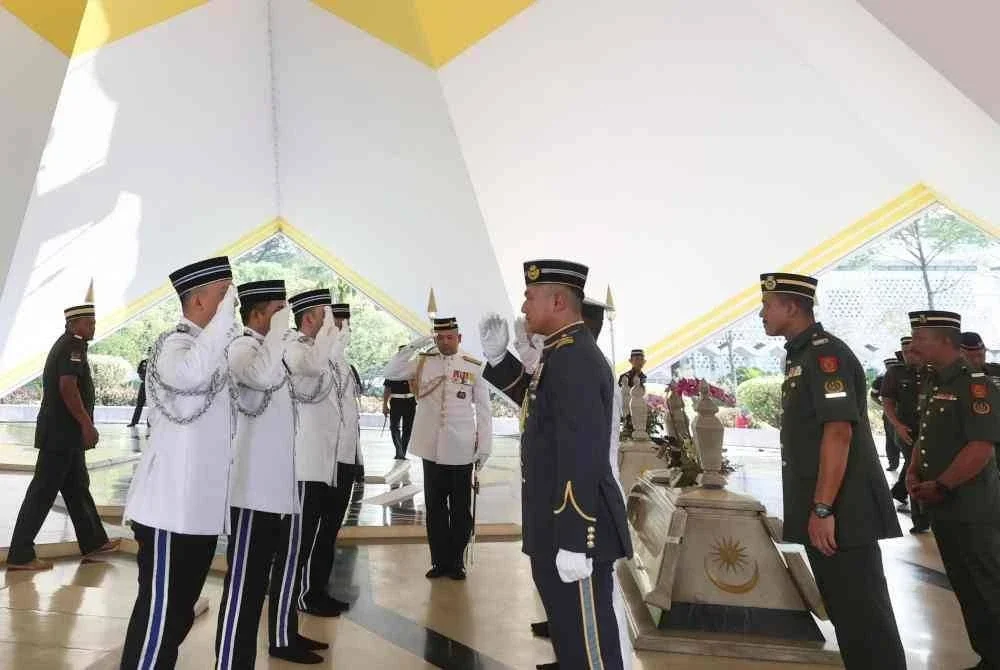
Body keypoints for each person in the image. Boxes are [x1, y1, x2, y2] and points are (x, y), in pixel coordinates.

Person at [757, 272, 904, 669]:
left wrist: (822, 508)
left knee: (865, 617)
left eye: (768, 305)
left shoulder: (826, 356)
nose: (761, 313)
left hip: (842, 512)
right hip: (826, 510)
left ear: (791, 307)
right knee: (848, 616)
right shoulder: (801, 354)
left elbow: (838, 432)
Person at [492, 259, 631, 668]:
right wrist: (499, 360)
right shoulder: (560, 353)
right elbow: (539, 410)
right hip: (554, 524)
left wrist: (575, 538)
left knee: (591, 651)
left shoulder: (575, 358)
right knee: (572, 646)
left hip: (575, 528)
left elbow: (580, 451)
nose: (523, 308)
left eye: (530, 297)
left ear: (557, 301)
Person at [120, 257, 238, 670]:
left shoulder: (213, 352)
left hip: (199, 513)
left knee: (178, 615)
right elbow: (190, 376)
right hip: (170, 511)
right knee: (159, 617)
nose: (232, 305)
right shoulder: (176, 345)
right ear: (201, 300)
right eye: (225, 296)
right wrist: (224, 324)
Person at [214, 280, 325, 667]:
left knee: (257, 583)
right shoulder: (244, 348)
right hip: (249, 492)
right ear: (259, 313)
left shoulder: (269, 351)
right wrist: (279, 332)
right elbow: (258, 379)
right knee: (243, 588)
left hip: (272, 489)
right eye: (279, 310)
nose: (285, 318)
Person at [907, 310, 1000, 670]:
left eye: (920, 339)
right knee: (965, 587)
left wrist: (943, 484)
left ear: (946, 341)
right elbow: (926, 435)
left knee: (987, 587)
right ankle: (988, 656)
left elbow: (981, 448)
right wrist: (913, 471)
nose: (913, 345)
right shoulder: (934, 381)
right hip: (943, 505)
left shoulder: (974, 384)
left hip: (971, 507)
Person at [6, 297, 119, 571]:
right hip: (62, 434)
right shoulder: (72, 346)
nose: (93, 326)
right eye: (89, 322)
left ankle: (93, 540)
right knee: (42, 492)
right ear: (73, 324)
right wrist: (86, 424)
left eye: (93, 322)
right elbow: (68, 387)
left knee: (77, 486)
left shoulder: (72, 344)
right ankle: (20, 554)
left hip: (65, 435)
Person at [383, 316, 492, 581]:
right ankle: (439, 561)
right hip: (431, 447)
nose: (444, 342)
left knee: (460, 508)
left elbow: (484, 410)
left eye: (449, 337)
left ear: (459, 338)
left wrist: (484, 448)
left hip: (461, 447)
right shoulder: (423, 361)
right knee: (434, 508)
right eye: (439, 337)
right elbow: (392, 371)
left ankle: (456, 562)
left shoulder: (474, 366)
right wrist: (418, 343)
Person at [283, 290, 348, 619]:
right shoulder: (295, 347)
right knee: (299, 543)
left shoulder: (320, 350)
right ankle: (292, 605)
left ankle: (310, 595)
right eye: (325, 316)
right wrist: (327, 339)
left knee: (317, 536)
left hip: (325, 462)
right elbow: (308, 367)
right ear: (308, 319)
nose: (331, 323)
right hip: (306, 464)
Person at [314, 302, 364, 608]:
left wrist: (357, 458)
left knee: (330, 528)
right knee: (319, 530)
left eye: (346, 324)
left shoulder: (342, 363)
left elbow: (350, 414)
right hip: (325, 459)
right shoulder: (317, 358)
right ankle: (311, 591)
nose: (344, 330)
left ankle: (319, 589)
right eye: (337, 324)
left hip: (345, 456)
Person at [883, 336, 929, 532]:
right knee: (914, 470)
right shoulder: (895, 373)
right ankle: (920, 520)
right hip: (908, 430)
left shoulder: (933, 370)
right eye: (905, 352)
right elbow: (887, 402)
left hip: (932, 430)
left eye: (912, 351)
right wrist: (897, 426)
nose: (909, 355)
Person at [383, 346, 416, 460]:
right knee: (394, 427)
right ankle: (399, 451)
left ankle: (403, 452)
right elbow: (387, 389)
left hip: (410, 402)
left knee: (408, 428)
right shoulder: (393, 369)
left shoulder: (413, 367)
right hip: (396, 401)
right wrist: (384, 405)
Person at [875, 357, 902, 471]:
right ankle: (893, 463)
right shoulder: (881, 379)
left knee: (899, 439)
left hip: (903, 413)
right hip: (890, 415)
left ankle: (903, 463)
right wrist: (884, 405)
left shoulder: (904, 375)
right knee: (891, 440)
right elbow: (873, 394)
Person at [618, 349, 646, 430]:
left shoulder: (643, 377)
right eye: (636, 359)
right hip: (628, 410)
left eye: (641, 359)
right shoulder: (625, 377)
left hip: (641, 411)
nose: (639, 362)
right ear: (631, 361)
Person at [127, 357, 148, 432]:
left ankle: (150, 423)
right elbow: (139, 371)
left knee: (152, 406)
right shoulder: (144, 362)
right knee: (139, 405)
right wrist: (144, 377)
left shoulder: (157, 362)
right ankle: (134, 422)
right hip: (144, 385)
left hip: (152, 386)